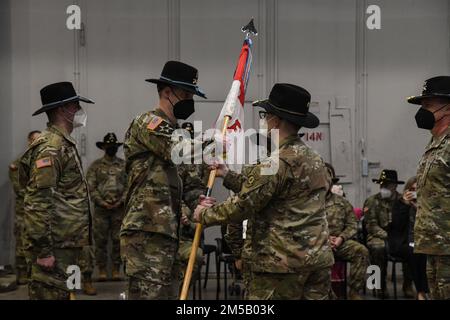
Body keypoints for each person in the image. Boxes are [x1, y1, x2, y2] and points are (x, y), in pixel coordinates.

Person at [193, 83, 334, 300]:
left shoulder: (274, 163)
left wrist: (204, 215)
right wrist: (228, 175)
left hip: (281, 267)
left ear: (275, 120)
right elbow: (279, 194)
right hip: (317, 262)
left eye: (265, 115)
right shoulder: (315, 160)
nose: (264, 120)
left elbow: (244, 206)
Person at [120, 61, 210, 299]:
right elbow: (178, 150)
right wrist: (215, 139)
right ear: (167, 92)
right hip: (145, 231)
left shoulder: (178, 133)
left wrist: (199, 201)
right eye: (186, 94)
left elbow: (190, 183)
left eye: (192, 94)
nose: (190, 100)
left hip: (170, 233)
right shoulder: (148, 123)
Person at [19, 82, 94, 299]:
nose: (79, 110)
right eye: (75, 105)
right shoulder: (51, 148)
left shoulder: (63, 143)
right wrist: (43, 251)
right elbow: (37, 202)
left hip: (69, 246)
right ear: (62, 109)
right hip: (54, 250)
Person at [406, 76, 450, 300]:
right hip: (435, 245)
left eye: (428, 105)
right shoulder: (434, 143)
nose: (422, 111)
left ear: (446, 108)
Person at [363, 169, 414, 298]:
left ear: (395, 186)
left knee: (411, 246)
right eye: (382, 185)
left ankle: (408, 284)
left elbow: (409, 223)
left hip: (399, 237)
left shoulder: (402, 201)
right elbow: (371, 225)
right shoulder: (372, 201)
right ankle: (379, 285)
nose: (383, 187)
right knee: (378, 247)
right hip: (378, 235)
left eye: (387, 185)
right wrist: (388, 237)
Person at [324, 163, 369, 300]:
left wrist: (341, 238)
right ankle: (323, 293)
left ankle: (354, 291)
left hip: (339, 243)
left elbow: (352, 224)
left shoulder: (342, 202)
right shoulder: (308, 203)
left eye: (328, 178)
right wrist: (324, 239)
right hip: (317, 244)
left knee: (361, 251)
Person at [87, 133, 127, 282]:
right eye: (109, 146)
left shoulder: (124, 165)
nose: (111, 149)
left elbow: (130, 186)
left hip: (119, 209)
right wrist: (101, 201)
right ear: (103, 147)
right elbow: (90, 187)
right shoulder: (96, 166)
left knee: (118, 240)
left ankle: (117, 269)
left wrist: (121, 201)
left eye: (114, 147)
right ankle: (102, 269)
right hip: (101, 211)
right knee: (100, 241)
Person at [8, 130, 41, 285]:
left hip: (42, 210)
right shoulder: (19, 163)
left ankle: (36, 272)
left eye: (40, 140)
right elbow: (19, 188)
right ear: (29, 141)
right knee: (22, 241)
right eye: (35, 139)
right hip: (25, 209)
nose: (37, 142)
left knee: (41, 242)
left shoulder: (45, 159)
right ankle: (21, 272)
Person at [390, 176, 429, 300]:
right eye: (412, 189)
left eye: (417, 190)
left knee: (423, 251)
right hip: (403, 242)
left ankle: (428, 290)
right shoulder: (399, 204)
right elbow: (397, 225)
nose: (414, 192)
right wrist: (406, 205)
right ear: (406, 190)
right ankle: (421, 292)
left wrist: (420, 207)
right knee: (416, 252)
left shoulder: (427, 205)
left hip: (423, 241)